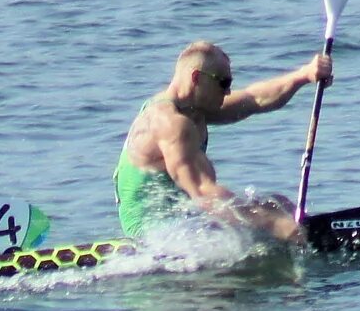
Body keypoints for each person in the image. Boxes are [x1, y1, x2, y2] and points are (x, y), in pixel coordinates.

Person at [113, 39, 332, 240]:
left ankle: (305, 235)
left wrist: (304, 75)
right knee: (259, 223)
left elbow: (255, 99)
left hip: (183, 218)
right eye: (223, 82)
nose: (227, 92)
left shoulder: (195, 108)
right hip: (152, 233)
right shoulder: (170, 123)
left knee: (279, 204)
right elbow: (204, 192)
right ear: (196, 78)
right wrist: (273, 224)